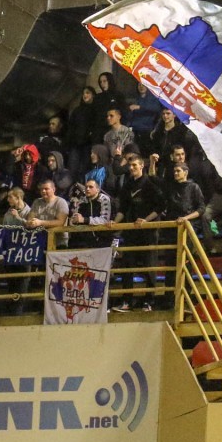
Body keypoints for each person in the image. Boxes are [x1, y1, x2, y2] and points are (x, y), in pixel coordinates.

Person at [112, 155, 162, 313]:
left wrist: (146, 220)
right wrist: (114, 222)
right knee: (127, 265)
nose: (131, 168)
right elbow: (123, 208)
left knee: (149, 266)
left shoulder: (150, 183)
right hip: (131, 231)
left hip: (149, 232)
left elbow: (160, 206)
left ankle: (149, 301)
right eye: (130, 165)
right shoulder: (127, 185)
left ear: (142, 166)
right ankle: (127, 301)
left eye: (134, 165)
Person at [68, 178, 112, 248]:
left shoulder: (104, 199)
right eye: (86, 187)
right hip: (84, 242)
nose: (87, 189)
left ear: (98, 189)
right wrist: (74, 219)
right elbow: (73, 221)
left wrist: (85, 220)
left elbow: (104, 220)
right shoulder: (81, 200)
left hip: (101, 241)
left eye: (91, 187)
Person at [67, 86, 100, 175]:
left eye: (88, 93)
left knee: (85, 169)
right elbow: (71, 127)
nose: (85, 95)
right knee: (72, 169)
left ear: (93, 95)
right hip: (75, 144)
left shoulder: (97, 110)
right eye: (83, 93)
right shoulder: (77, 110)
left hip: (89, 145)